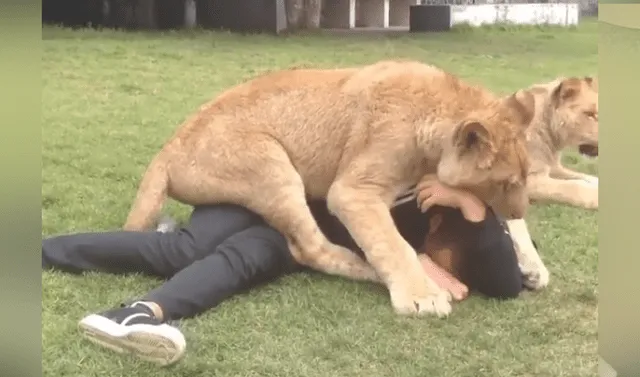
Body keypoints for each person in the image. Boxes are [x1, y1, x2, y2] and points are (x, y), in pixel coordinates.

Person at [42, 179, 527, 366]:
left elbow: (507, 284)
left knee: (243, 262)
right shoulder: (403, 167)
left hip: (294, 242)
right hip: (262, 192)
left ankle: (135, 315)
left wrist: (470, 205)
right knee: (187, 250)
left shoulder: (469, 221)